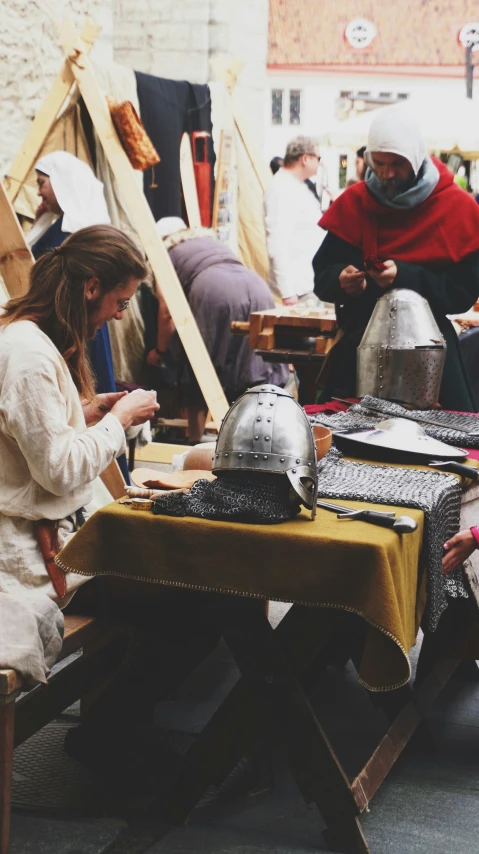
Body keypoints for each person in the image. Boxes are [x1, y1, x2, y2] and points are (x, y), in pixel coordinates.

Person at [0, 225, 220, 759]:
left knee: (188, 595)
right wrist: (117, 421)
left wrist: (90, 410)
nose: (121, 315)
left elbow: (39, 439)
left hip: (55, 543)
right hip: (35, 558)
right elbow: (56, 470)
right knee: (196, 612)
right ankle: (108, 736)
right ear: (91, 286)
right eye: (120, 301)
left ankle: (114, 728)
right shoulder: (26, 353)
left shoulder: (30, 340)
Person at [313, 105, 479, 409]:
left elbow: (461, 294)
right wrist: (341, 280)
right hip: (358, 344)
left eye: (397, 164)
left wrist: (405, 277)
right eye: (379, 163)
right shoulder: (355, 203)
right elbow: (322, 276)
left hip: (430, 350)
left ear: (416, 159)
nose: (387, 173)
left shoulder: (455, 208)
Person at [27, 150, 131, 480]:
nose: (40, 190)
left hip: (67, 324)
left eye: (43, 183)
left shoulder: (74, 236)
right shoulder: (58, 227)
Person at [141, 217, 289, 443]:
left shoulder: (165, 255)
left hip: (213, 291)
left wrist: (160, 352)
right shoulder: (211, 242)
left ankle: (194, 442)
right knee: (253, 365)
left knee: (199, 364)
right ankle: (255, 442)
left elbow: (166, 311)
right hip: (257, 289)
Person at [264, 136, 325, 307]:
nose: (319, 163)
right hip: (298, 290)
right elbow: (276, 241)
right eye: (318, 158)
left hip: (307, 284)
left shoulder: (296, 185)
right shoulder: (281, 188)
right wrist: (287, 292)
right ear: (305, 158)